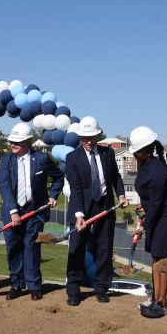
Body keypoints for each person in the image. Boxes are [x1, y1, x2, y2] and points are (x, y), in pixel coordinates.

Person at [65, 116, 127, 306]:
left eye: (91, 137)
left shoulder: (108, 153)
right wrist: (79, 214)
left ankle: (101, 288)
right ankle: (74, 290)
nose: (88, 141)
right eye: (84, 138)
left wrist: (122, 195)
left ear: (98, 135)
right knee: (76, 248)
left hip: (105, 206)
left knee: (104, 248)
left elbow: (116, 177)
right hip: (81, 208)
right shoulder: (72, 157)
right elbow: (75, 188)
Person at [0, 122, 63, 301]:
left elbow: (58, 177)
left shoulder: (41, 159)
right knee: (13, 250)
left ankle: (34, 286)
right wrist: (13, 211)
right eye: (12, 140)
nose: (13, 144)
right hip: (12, 213)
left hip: (34, 213)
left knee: (31, 250)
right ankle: (16, 285)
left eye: (17, 141)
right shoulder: (6, 160)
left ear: (29, 141)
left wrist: (53, 195)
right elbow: (4, 187)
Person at [129, 126, 167, 318]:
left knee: (162, 261)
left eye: (137, 152)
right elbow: (151, 201)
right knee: (155, 260)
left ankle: (162, 304)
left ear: (147, 149)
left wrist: (142, 228)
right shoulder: (144, 163)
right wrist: (142, 206)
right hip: (157, 214)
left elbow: (156, 204)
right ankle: (155, 298)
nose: (135, 155)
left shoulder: (157, 171)